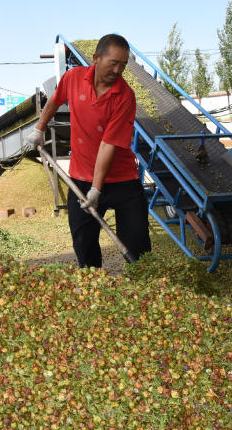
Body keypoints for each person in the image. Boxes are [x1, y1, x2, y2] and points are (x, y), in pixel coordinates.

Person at [25, 34, 151, 268]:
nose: (118, 70)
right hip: (82, 177)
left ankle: (143, 286)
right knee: (83, 242)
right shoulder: (73, 77)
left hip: (122, 179)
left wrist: (97, 188)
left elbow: (108, 144)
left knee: (137, 241)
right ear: (96, 58)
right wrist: (39, 129)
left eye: (123, 65)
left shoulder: (125, 96)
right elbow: (54, 100)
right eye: (113, 63)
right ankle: (93, 282)